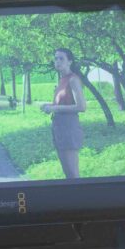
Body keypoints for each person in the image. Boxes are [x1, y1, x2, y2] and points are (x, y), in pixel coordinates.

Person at [41, 48, 87, 179]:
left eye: (61, 58)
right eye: (56, 58)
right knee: (67, 172)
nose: (58, 61)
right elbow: (62, 104)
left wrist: (55, 109)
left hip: (69, 128)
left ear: (70, 61)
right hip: (59, 127)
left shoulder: (73, 79)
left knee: (72, 173)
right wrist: (48, 106)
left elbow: (82, 106)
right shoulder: (62, 80)